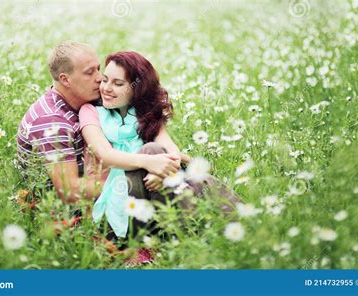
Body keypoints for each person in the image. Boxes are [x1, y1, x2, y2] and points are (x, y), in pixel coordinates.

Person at [80, 51, 241, 243]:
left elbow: (171, 149)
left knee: (199, 179)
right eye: (105, 80)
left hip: (153, 196)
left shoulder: (144, 115)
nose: (106, 88)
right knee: (153, 151)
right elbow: (105, 155)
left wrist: (159, 171)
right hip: (124, 198)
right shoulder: (90, 112)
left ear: (136, 90)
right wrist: (151, 163)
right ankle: (192, 234)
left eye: (118, 83)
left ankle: (239, 225)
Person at [16, 41, 181, 204]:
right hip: (67, 211)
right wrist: (138, 180)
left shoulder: (88, 101)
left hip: (111, 179)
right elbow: (70, 191)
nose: (100, 78)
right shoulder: (52, 122)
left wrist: (166, 165)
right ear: (65, 80)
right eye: (89, 73)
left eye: (98, 69)